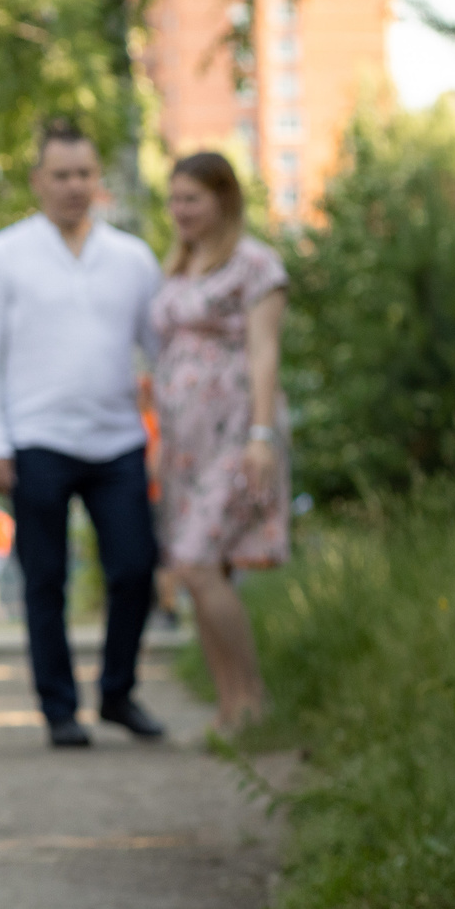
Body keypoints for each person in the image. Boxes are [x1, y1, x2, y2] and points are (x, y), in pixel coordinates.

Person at [0, 118, 168, 748]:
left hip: (118, 442)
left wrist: (173, 439)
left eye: (84, 174)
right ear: (38, 180)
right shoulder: (3, 255)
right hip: (36, 441)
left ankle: (116, 692)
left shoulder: (133, 259)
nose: (74, 186)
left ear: (97, 179)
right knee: (44, 579)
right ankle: (59, 709)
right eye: (61, 175)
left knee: (135, 569)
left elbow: (161, 354)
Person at [151, 151, 291, 734]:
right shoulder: (179, 265)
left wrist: (260, 437)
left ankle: (254, 699)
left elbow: (265, 353)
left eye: (192, 199)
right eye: (175, 199)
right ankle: (229, 705)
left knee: (200, 563)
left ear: (223, 199)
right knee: (195, 570)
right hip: (187, 448)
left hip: (236, 433)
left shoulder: (256, 264)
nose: (180, 210)